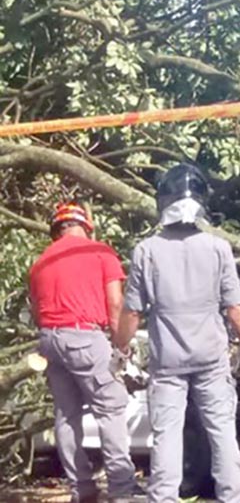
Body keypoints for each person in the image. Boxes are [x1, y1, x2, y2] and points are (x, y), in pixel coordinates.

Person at [113, 163, 240, 503]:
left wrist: (119, 354)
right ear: (202, 202)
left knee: (167, 436)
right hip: (211, 358)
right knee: (222, 432)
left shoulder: (146, 251)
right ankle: (232, 497)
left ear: (163, 202)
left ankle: (163, 498)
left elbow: (132, 311)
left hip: (168, 363)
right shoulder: (218, 247)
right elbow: (236, 306)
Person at [30, 203, 142, 503]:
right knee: (111, 408)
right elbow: (116, 305)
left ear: (57, 230)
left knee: (66, 416)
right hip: (85, 336)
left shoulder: (40, 262)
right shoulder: (101, 252)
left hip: (50, 340)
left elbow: (36, 311)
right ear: (86, 225)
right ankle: (121, 489)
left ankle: (82, 490)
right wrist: (121, 348)